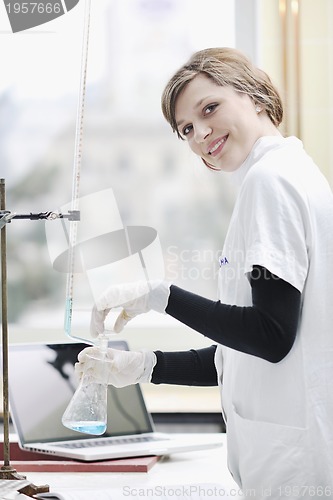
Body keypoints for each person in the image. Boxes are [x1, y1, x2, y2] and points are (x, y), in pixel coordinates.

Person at [76, 48, 333, 498]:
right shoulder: (289, 171)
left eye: (209, 108)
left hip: (294, 469)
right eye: (187, 129)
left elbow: (270, 336)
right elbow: (241, 354)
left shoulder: (269, 181)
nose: (201, 134)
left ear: (254, 95)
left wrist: (162, 296)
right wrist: (142, 366)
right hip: (291, 458)